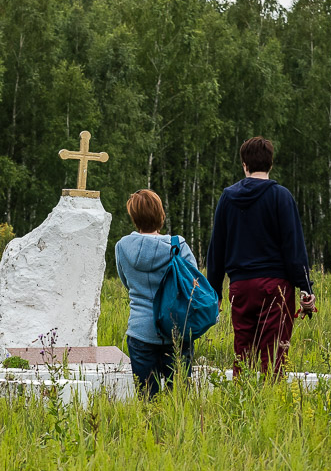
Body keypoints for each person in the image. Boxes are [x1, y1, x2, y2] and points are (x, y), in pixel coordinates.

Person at [206, 137, 315, 377]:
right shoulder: (281, 196)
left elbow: (217, 249)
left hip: (240, 287)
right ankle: (270, 398)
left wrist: (215, 293)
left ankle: (241, 397)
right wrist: (306, 288)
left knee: (242, 353)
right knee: (274, 356)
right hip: (276, 287)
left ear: (244, 164)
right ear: (271, 164)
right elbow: (294, 247)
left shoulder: (227, 198)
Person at [115, 189, 200, 396]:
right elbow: (194, 285)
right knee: (178, 400)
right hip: (177, 329)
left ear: (134, 216)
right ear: (161, 214)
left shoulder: (122, 246)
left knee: (146, 399)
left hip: (140, 332)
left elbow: (126, 283)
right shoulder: (178, 245)